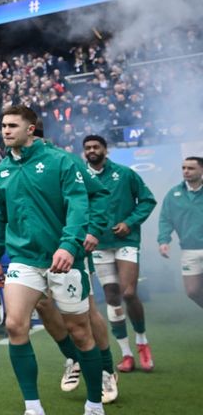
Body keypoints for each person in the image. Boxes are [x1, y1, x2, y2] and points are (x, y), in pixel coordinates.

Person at [0, 105, 105, 415]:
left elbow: (80, 205)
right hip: (24, 260)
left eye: (13, 125)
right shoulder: (1, 171)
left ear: (30, 129)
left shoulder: (61, 161)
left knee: (80, 332)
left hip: (64, 259)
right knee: (15, 326)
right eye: (3, 125)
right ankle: (33, 407)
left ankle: (94, 404)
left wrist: (69, 245)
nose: (6, 130)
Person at [29, 127, 117, 404]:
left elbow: (99, 194)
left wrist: (93, 229)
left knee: (87, 312)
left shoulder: (65, 160)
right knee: (42, 305)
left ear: (33, 134)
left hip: (71, 248)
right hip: (34, 251)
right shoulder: (12, 166)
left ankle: (105, 371)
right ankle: (72, 358)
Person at [82, 134, 157, 372]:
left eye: (96, 146)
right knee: (112, 297)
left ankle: (142, 342)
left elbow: (147, 201)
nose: (92, 150)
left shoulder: (125, 173)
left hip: (126, 240)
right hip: (99, 244)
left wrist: (129, 222)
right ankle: (126, 354)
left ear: (105, 149)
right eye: (88, 148)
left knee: (129, 292)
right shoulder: (80, 177)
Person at [158, 156, 203, 309]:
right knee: (192, 291)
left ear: (201, 170)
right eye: (184, 168)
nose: (186, 171)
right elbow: (165, 219)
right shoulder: (174, 194)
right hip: (189, 249)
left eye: (191, 168)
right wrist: (163, 241)